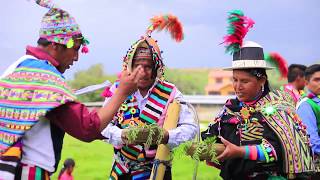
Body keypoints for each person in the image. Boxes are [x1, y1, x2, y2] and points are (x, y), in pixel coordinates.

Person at [0, 0, 142, 179]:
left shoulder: (18, 67)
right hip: (28, 172)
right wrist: (122, 92)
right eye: (75, 49)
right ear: (55, 45)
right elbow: (87, 128)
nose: (75, 57)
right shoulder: (44, 78)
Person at [199, 10, 313, 179]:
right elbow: (212, 136)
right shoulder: (230, 109)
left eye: (244, 81)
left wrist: (239, 151)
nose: (237, 86)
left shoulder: (278, 107)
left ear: (261, 81)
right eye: (235, 80)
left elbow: (279, 148)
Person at [101, 14, 197, 179]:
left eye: (147, 66)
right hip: (122, 172)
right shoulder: (117, 89)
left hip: (157, 172)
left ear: (156, 67)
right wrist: (122, 136)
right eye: (137, 65)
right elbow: (101, 125)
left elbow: (191, 128)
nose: (142, 72)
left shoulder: (171, 93)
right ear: (129, 65)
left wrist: (166, 136)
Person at [297, 64, 320, 178]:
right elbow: (313, 142)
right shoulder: (306, 105)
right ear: (306, 83)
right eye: (317, 80)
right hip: (316, 167)